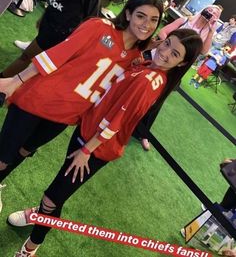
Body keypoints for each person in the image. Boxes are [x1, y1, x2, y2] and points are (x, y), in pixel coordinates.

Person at [9, 28, 203, 256]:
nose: (166, 51)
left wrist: (87, 150)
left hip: (94, 148)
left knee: (52, 198)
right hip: (86, 133)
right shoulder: (147, 66)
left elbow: (117, 120)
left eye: (175, 53)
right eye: (167, 43)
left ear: (182, 63)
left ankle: (31, 247)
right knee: (58, 191)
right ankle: (40, 212)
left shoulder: (150, 79)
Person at [0, 0, 163, 211]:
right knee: (3, 155)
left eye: (154, 19)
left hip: (65, 116)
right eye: (140, 16)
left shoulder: (136, 58)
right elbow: (56, 56)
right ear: (127, 14)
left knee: (25, 151)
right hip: (38, 100)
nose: (147, 24)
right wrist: (16, 80)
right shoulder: (99, 27)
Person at [135, 4, 222, 151]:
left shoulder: (207, 33)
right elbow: (163, 32)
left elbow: (204, 51)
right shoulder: (185, 20)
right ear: (204, 9)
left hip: (175, 70)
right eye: (210, 10)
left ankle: (142, 133)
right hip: (157, 60)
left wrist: (212, 30)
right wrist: (169, 49)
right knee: (139, 87)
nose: (210, 13)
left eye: (214, 14)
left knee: (157, 101)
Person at [0, 0, 100, 78]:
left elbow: (91, 19)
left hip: (62, 33)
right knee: (31, 62)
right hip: (49, 23)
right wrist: (44, 17)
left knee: (28, 59)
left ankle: (3, 82)